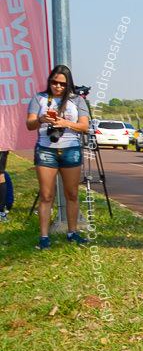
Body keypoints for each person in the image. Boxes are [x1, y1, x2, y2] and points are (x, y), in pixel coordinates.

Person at [25, 66, 91, 248]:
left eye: (62, 84)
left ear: (68, 84)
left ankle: (72, 232)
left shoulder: (77, 100)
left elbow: (84, 127)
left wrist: (65, 123)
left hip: (71, 149)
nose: (58, 87)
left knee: (71, 193)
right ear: (49, 82)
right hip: (46, 150)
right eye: (54, 82)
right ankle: (44, 237)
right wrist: (41, 120)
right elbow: (29, 124)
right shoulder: (40, 98)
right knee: (46, 195)